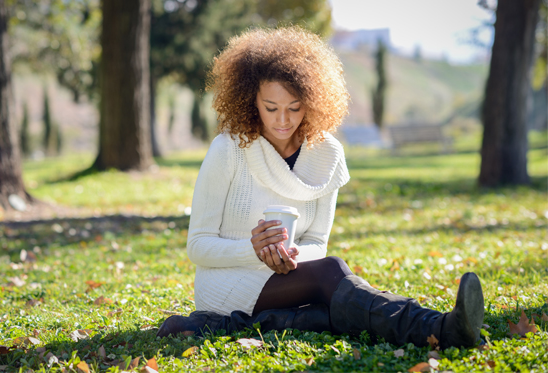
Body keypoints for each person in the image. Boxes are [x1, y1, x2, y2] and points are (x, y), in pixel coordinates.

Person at [157, 27, 484, 350]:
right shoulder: (228, 149)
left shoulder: (328, 155)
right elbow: (198, 246)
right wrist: (253, 250)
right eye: (271, 107)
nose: (282, 120)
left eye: (294, 107)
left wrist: (291, 256)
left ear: (312, 101)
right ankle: (441, 328)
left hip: (289, 277)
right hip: (225, 281)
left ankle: (216, 326)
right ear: (250, 100)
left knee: (331, 307)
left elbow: (316, 242)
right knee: (331, 273)